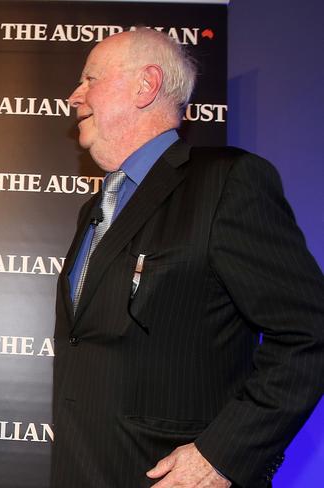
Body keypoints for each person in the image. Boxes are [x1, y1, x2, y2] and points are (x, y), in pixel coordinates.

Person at [52, 28, 324, 488]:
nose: (74, 96)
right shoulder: (95, 209)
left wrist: (222, 457)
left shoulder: (226, 184)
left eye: (89, 78)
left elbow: (308, 335)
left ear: (146, 85)